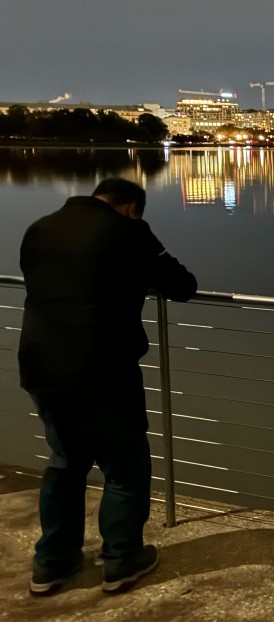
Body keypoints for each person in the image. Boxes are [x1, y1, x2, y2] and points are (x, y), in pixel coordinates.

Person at [18, 178, 197, 595]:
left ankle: (52, 563)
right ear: (133, 207)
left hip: (40, 365)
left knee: (65, 462)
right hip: (103, 369)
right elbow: (181, 285)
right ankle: (121, 559)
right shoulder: (129, 232)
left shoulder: (40, 228)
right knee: (125, 467)